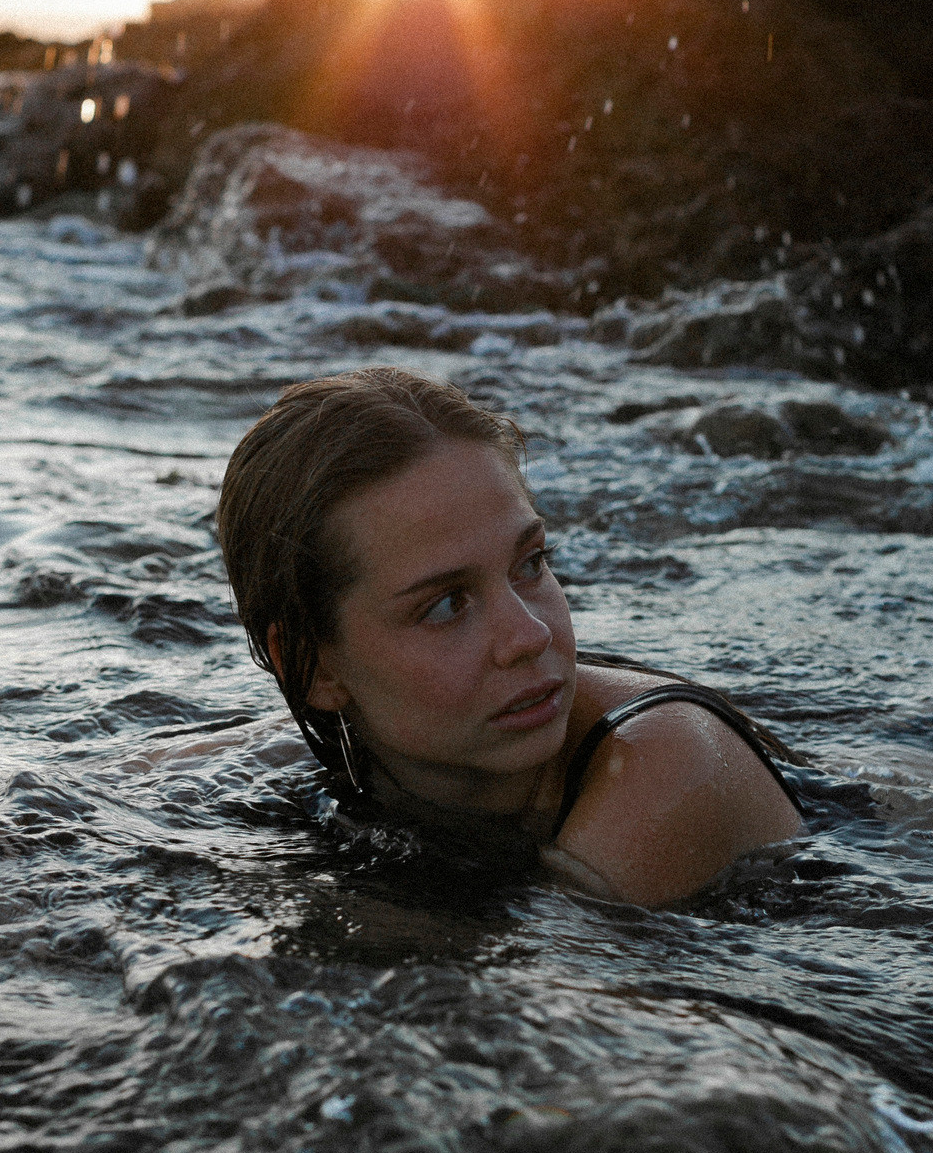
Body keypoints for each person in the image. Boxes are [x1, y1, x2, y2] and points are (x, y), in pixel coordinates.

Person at [216, 368, 802, 906]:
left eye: (531, 563)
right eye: (446, 605)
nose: (530, 633)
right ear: (313, 669)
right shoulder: (344, 746)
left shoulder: (666, 759)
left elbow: (550, 997)